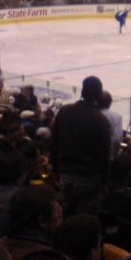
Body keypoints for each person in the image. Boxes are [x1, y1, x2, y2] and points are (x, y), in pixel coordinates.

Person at [50, 76, 111, 217]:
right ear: (99, 94)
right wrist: (105, 182)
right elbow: (104, 155)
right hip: (89, 178)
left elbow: (54, 142)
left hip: (66, 175)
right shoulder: (101, 120)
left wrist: (55, 170)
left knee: (65, 214)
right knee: (85, 219)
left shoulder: (64, 112)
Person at [97, 91, 123, 159]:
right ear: (110, 103)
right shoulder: (116, 117)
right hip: (108, 157)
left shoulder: (90, 115)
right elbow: (117, 139)